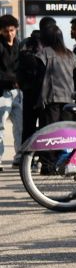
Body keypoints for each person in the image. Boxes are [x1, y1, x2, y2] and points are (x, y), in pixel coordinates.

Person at [17, 17, 56, 152]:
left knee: (28, 125)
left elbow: (18, 66)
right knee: (46, 126)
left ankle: (25, 156)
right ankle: (44, 156)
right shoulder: (52, 45)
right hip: (46, 92)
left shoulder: (24, 43)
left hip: (29, 91)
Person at [38, 25, 76, 126]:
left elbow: (38, 76)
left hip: (52, 99)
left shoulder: (44, 53)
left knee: (52, 131)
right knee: (66, 131)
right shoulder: (70, 54)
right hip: (69, 98)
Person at [0, 14, 22, 171]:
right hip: (2, 93)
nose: (10, 34)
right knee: (0, 127)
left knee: (19, 127)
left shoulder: (20, 45)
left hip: (19, 93)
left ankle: (19, 159)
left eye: (12, 30)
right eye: (6, 31)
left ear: (16, 29)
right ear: (1, 31)